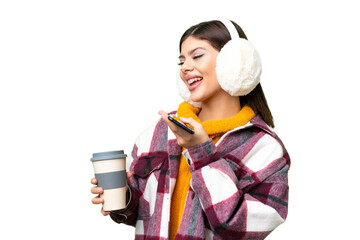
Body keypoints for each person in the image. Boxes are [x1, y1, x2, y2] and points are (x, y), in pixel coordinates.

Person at [91, 19, 290, 240]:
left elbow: (237, 229)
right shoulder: (159, 132)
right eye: (182, 60)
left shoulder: (265, 149)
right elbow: (142, 213)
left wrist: (202, 154)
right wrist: (123, 198)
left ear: (235, 63)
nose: (185, 67)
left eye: (196, 56)